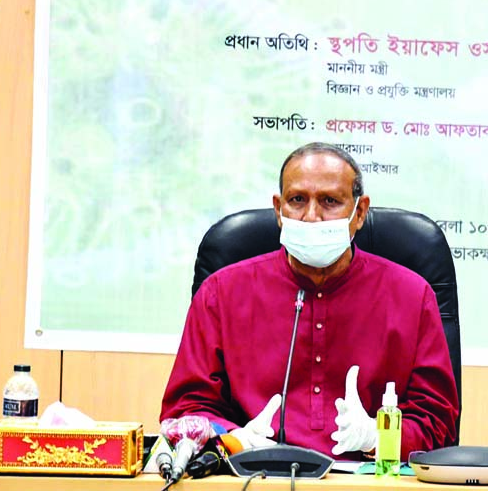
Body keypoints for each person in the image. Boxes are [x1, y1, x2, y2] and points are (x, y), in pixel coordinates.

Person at [160, 142, 459, 461]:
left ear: (359, 213)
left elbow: (438, 423)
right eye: (297, 200)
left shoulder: (412, 295)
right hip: (254, 479)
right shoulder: (220, 292)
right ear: (278, 209)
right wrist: (233, 440)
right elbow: (186, 411)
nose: (312, 216)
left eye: (330, 201)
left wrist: (378, 437)